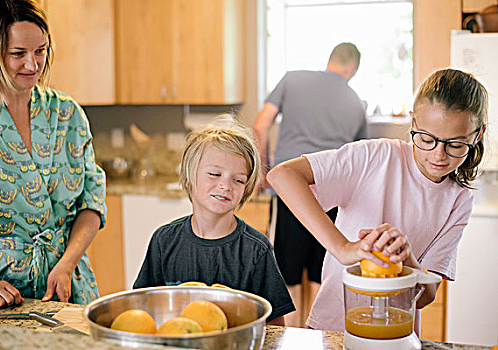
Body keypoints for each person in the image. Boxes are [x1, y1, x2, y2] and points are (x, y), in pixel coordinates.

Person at [267, 68, 487, 331]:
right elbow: (283, 175)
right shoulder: (375, 157)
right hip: (332, 328)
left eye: (455, 145)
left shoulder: (459, 200)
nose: (439, 155)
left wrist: (407, 260)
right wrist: (343, 248)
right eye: (427, 139)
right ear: (414, 124)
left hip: (397, 335)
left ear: (478, 134)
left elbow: (425, 297)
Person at [0, 0, 106, 308]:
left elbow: (92, 203)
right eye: (18, 54)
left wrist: (68, 263)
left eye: (40, 51)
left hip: (66, 287)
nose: (32, 65)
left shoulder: (66, 113)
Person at [133, 115, 295, 325]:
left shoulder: (256, 250)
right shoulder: (163, 241)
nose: (226, 185)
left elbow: (275, 327)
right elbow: (143, 308)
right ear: (190, 178)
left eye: (238, 180)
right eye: (214, 174)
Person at [252, 42, 367, 326]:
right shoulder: (356, 102)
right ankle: (316, 339)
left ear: (331, 60)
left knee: (286, 274)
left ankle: (291, 341)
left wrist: (263, 173)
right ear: (351, 69)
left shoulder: (293, 79)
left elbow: (261, 125)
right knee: (320, 274)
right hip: (333, 195)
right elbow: (358, 157)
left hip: (292, 190)